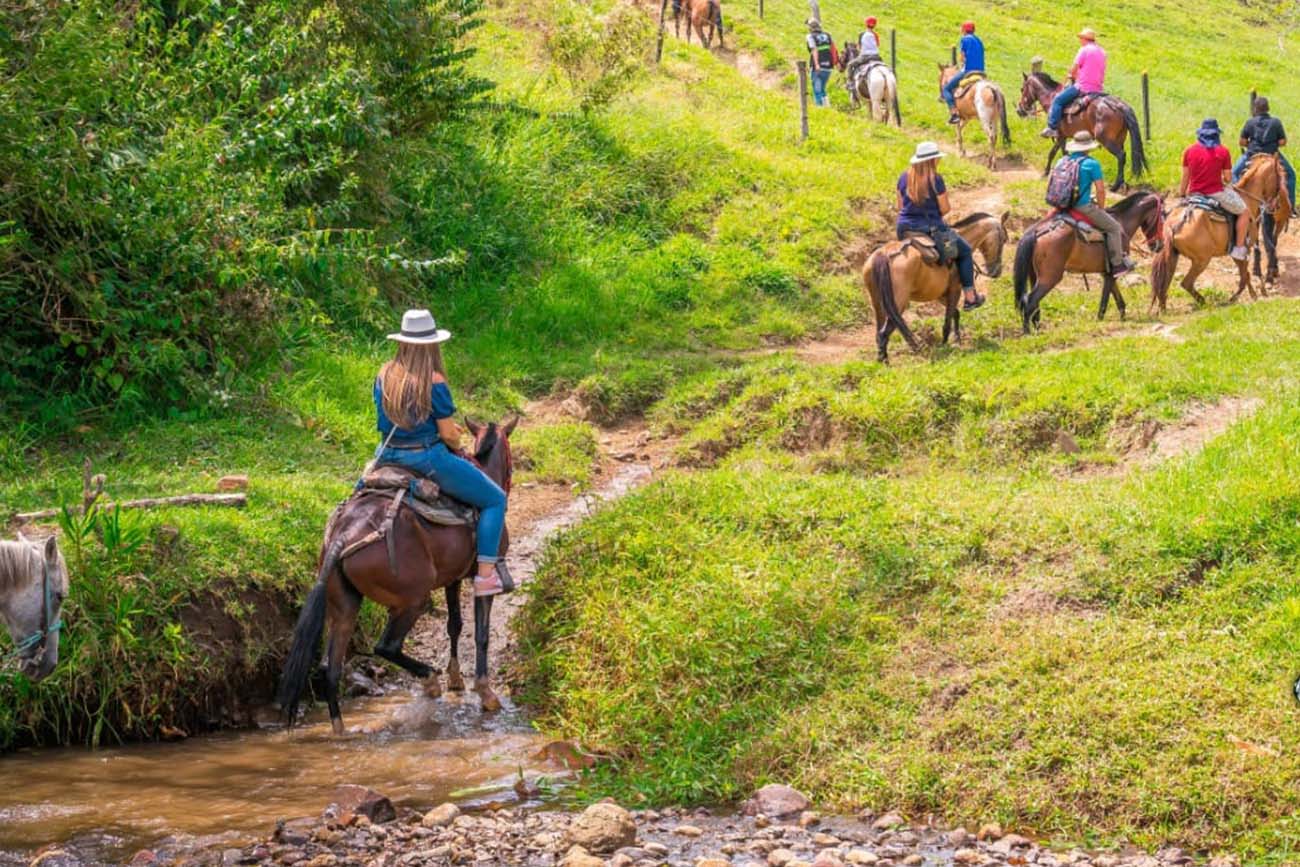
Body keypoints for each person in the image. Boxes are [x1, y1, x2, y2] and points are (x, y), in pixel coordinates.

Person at [373, 309, 512, 597]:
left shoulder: (385, 374)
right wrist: (458, 447)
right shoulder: (433, 380)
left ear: (402, 341)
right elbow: (448, 433)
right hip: (426, 458)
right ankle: (485, 577)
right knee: (495, 498)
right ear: (432, 344)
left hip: (386, 456)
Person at [896, 141, 985, 310]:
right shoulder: (936, 179)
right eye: (937, 159)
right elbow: (945, 209)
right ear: (932, 161)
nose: (938, 161)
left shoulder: (903, 177)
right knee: (965, 251)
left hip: (904, 229)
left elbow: (900, 207)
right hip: (930, 229)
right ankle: (970, 297)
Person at [1055, 131, 1135, 275]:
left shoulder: (1062, 161)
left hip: (1061, 205)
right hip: (1082, 206)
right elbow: (1100, 190)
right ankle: (1117, 264)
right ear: (1088, 147)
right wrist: (1101, 208)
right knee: (1114, 228)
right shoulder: (1091, 164)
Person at [1180, 119, 1248, 261]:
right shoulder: (1223, 151)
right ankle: (1239, 248)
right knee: (1244, 211)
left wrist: (1182, 195)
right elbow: (1228, 178)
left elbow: (1185, 177)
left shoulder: (1189, 151)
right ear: (1217, 134)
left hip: (1194, 193)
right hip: (1215, 192)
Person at [1042, 28, 1106, 138]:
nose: (1080, 40)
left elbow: (1074, 68)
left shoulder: (1084, 50)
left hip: (1083, 87)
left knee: (1058, 100)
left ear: (1085, 39)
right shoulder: (1102, 52)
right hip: (1098, 89)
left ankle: (1052, 128)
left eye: (1081, 38)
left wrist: (1070, 75)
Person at [1233, 97, 1296, 206]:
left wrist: (1251, 145)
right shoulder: (1276, 122)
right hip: (1271, 154)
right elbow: (1283, 142)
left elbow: (1242, 142)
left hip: (1252, 154)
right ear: (1268, 108)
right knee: (1291, 175)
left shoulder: (1250, 122)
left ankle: (1235, 201)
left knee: (1234, 172)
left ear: (1255, 109)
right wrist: (1273, 144)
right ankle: (1290, 205)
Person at [942, 21, 984, 125]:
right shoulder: (979, 40)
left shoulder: (964, 39)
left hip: (968, 70)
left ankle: (954, 113)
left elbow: (962, 57)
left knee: (946, 88)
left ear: (964, 30)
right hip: (981, 71)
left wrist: (962, 64)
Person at [806, 19, 837, 107]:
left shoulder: (810, 36)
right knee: (822, 88)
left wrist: (816, 64)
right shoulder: (828, 35)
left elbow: (814, 50)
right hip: (828, 66)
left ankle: (819, 108)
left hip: (818, 66)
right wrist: (835, 62)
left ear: (810, 27)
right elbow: (833, 49)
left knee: (817, 90)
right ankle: (827, 107)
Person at [844, 16, 882, 82]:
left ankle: (850, 83)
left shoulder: (862, 34)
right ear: (875, 25)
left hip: (865, 57)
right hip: (876, 57)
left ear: (866, 24)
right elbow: (877, 45)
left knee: (850, 65)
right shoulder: (875, 35)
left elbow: (859, 47)